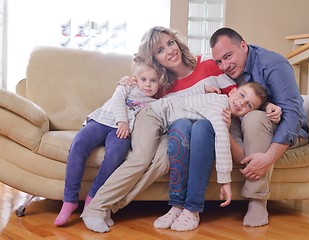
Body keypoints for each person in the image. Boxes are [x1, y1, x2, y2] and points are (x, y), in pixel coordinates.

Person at [80, 26, 247, 233]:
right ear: (154, 59)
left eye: (170, 43)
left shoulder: (208, 64)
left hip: (182, 130)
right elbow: (149, 100)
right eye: (160, 50)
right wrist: (126, 84)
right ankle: (95, 208)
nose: (169, 51)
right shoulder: (161, 83)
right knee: (141, 159)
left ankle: (111, 207)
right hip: (159, 122)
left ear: (177, 43)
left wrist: (262, 107)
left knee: (161, 163)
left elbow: (239, 96)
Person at [209, 27, 309, 227]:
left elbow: (293, 115)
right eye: (219, 61)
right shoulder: (227, 74)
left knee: (253, 118)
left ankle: (257, 201)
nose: (225, 66)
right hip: (245, 133)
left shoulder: (273, 64)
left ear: (244, 46)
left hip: (289, 132)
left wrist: (269, 157)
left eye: (228, 56)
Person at [54, 57, 164, 226]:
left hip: (121, 132)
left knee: (116, 154)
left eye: (153, 81)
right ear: (136, 78)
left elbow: (176, 100)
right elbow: (117, 100)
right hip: (103, 120)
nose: (148, 85)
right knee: (78, 145)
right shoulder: (127, 85)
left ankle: (94, 198)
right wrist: (122, 121)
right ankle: (69, 200)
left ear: (160, 83)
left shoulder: (155, 102)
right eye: (143, 79)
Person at [153, 82, 267, 231]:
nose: (241, 103)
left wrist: (226, 130)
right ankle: (176, 205)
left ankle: (192, 208)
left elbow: (240, 157)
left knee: (203, 126)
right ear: (232, 91)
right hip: (179, 125)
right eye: (241, 95)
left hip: (204, 137)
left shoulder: (232, 123)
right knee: (181, 124)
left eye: (249, 105)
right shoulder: (214, 101)